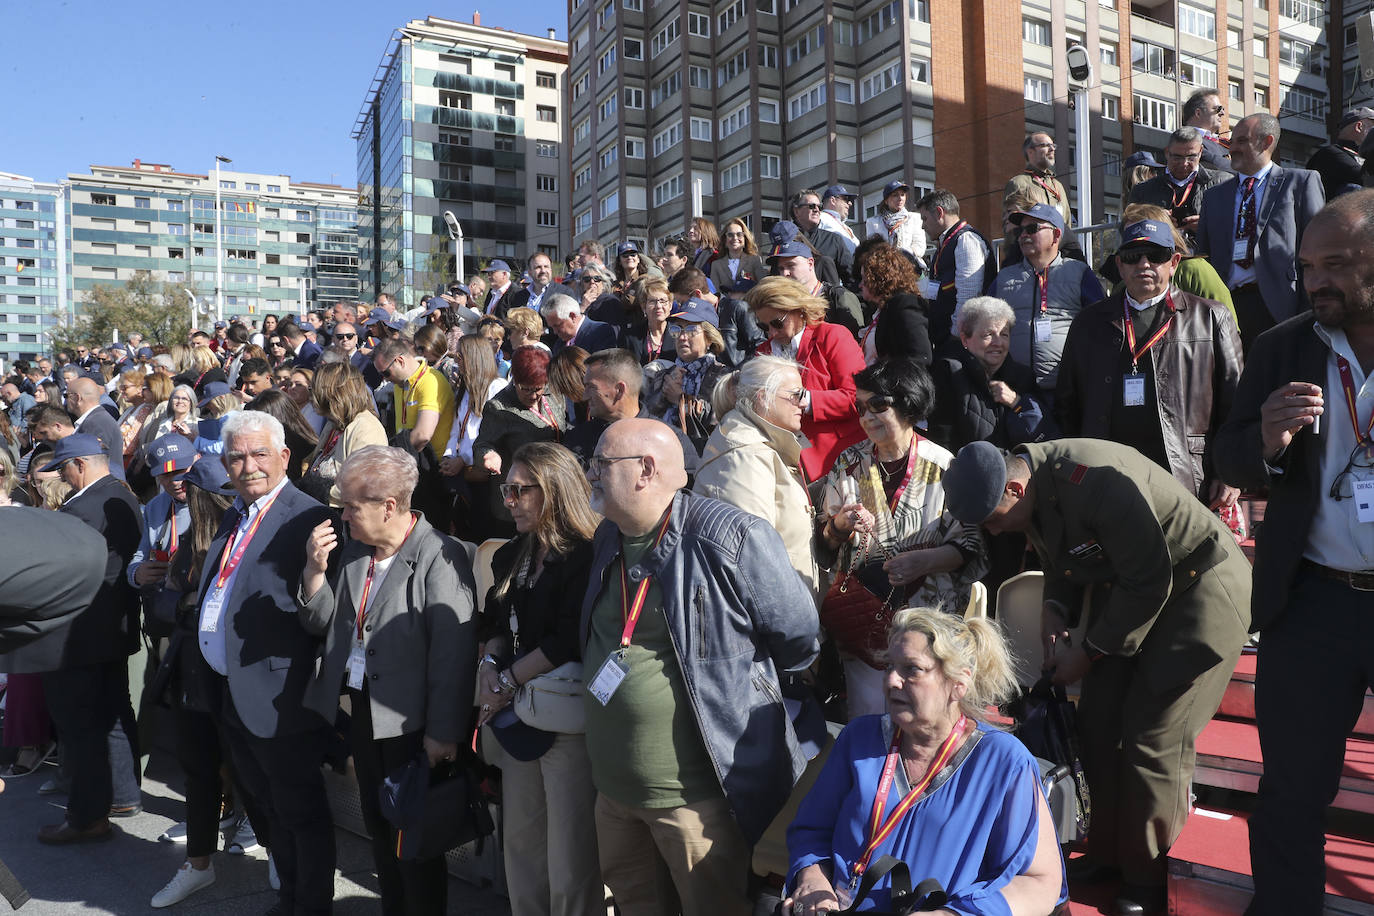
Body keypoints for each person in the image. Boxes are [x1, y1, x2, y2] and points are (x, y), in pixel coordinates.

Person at [943, 438, 1251, 916]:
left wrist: (1087, 653)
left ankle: (1148, 878)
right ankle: (1108, 852)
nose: (993, 531)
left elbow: (1150, 578)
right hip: (1134, 590)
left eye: (993, 519)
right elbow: (1068, 555)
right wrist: (1054, 608)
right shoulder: (1036, 486)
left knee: (1153, 735)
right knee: (1099, 722)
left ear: (1015, 489)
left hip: (1198, 589)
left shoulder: (1089, 479)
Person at [582, 418, 820, 915]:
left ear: (645, 470)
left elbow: (800, 635)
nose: (591, 474)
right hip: (616, 793)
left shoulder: (730, 538)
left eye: (601, 464)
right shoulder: (609, 538)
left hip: (697, 804)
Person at [1211, 190, 1374, 915]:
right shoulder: (1282, 345)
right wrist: (1267, 442)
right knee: (1291, 791)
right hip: (1311, 600)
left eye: (1336, 265)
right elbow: (1231, 455)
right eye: (1308, 267)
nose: (1316, 284)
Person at [785, 608, 1066, 916]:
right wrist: (813, 881)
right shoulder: (859, 738)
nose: (891, 679)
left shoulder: (1003, 762)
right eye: (890, 666)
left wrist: (951, 915)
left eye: (912, 669)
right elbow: (812, 831)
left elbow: (1041, 881)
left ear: (959, 683)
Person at [299, 446, 475, 916]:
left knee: (413, 841)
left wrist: (442, 732)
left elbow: (451, 658)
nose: (343, 515)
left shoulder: (441, 555)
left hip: (410, 722)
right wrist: (315, 573)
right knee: (379, 826)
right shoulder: (355, 550)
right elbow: (323, 622)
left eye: (352, 507)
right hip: (363, 710)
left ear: (389, 507)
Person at [196, 411, 339, 915]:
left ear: (284, 457)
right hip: (232, 691)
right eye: (236, 456)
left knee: (300, 811)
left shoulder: (309, 516)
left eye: (259, 454)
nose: (247, 465)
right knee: (272, 810)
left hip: (281, 694)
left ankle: (311, 906)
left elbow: (321, 608)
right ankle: (291, 899)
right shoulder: (236, 512)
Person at [816, 359, 988, 716]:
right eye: (860, 407)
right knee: (867, 724)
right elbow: (825, 543)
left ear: (908, 404)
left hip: (929, 625)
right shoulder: (849, 462)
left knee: (923, 723)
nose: (867, 417)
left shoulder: (943, 465)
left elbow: (968, 548)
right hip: (862, 622)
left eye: (878, 405)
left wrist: (924, 561)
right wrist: (841, 526)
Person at [476, 442, 604, 916]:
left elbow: (568, 637)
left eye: (517, 490)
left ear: (552, 490)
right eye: (505, 489)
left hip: (564, 717)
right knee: (522, 844)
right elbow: (492, 622)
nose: (507, 500)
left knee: (570, 857)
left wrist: (505, 679)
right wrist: (491, 670)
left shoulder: (586, 555)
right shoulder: (511, 553)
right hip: (517, 713)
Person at [1056, 218, 1244, 504]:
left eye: (1156, 256)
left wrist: (1229, 472)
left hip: (1185, 473)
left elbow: (1236, 405)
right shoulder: (1088, 323)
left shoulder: (1211, 317)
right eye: (1133, 257)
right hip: (1107, 473)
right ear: (1119, 265)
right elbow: (1067, 406)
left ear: (1174, 262)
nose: (1144, 264)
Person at [148, 455, 266, 908]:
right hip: (195, 677)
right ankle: (199, 863)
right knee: (202, 773)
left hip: (234, 676)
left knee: (245, 768)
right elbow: (161, 608)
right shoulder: (191, 547)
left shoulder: (244, 536)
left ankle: (266, 847)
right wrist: (185, 603)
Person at [35, 434, 142, 844]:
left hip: (79, 635)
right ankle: (123, 796)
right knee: (113, 712)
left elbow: (55, 574)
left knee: (80, 726)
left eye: (62, 468)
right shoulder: (122, 495)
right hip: (111, 631)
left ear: (80, 464)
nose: (61, 476)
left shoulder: (82, 509)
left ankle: (86, 816)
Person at [1195, 112, 1325, 350]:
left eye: (1242, 141)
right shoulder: (1214, 196)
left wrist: (1308, 311)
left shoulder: (1300, 183)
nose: (1232, 148)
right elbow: (1204, 257)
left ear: (1267, 142)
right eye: (1232, 141)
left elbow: (1318, 251)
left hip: (1281, 306)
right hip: (1226, 308)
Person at [693, 356, 819, 596]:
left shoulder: (758, 445)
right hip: (771, 620)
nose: (803, 404)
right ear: (763, 397)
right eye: (796, 394)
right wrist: (790, 628)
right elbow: (752, 560)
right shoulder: (744, 456)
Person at [746, 275, 866, 479]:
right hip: (786, 463)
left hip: (842, 459)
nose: (772, 333)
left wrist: (807, 400)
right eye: (764, 327)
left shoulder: (833, 336)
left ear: (799, 310)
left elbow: (859, 398)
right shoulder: (763, 353)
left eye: (777, 323)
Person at [993, 203, 1107, 395]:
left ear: (1056, 235)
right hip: (1014, 391)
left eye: (1032, 229)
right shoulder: (1004, 278)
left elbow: (1101, 325)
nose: (1023, 235)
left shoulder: (1079, 273)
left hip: (1066, 391)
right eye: (1020, 230)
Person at [928, 296, 1055, 452]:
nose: (998, 342)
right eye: (988, 335)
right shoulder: (949, 374)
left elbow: (1044, 441)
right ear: (965, 339)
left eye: (1004, 334)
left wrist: (1017, 403)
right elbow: (941, 441)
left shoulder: (1023, 377)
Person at [643, 297, 734, 453]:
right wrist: (663, 393)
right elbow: (648, 415)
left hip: (703, 457)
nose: (682, 337)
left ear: (709, 338)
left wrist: (680, 400)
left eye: (691, 330)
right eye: (677, 329)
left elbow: (720, 421)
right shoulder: (664, 374)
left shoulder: (724, 376)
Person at [1129, 127, 1233, 251]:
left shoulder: (1224, 183)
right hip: (1160, 260)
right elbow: (1127, 229)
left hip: (1208, 261)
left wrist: (1209, 225)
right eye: (1177, 157)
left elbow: (1240, 226)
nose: (1184, 163)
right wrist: (1156, 221)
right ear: (1167, 152)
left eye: (1191, 157)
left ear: (1200, 152)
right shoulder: (1143, 190)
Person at [917, 189, 992, 345]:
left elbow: (969, 295)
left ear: (939, 213)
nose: (923, 226)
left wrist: (956, 335)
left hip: (959, 342)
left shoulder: (966, 240)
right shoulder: (945, 243)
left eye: (925, 218)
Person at [1004, 132, 1085, 261]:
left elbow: (1067, 223)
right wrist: (1014, 260)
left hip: (1059, 256)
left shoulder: (1057, 185)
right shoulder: (1019, 183)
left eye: (1053, 145)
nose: (1052, 149)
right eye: (1045, 145)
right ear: (1030, 152)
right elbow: (1012, 228)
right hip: (1031, 258)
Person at [767, 232, 864, 338]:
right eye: (781, 268)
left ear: (810, 263)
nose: (785, 273)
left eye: (791, 265)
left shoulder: (838, 297)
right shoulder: (782, 304)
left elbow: (854, 344)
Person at [856, 243, 933, 365]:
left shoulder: (906, 306)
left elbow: (920, 358)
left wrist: (885, 377)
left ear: (879, 280)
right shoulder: (884, 308)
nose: (860, 285)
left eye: (864, 279)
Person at [790, 189, 855, 288]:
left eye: (819, 207)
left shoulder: (834, 240)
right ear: (796, 211)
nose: (816, 210)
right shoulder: (787, 241)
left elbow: (851, 278)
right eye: (811, 206)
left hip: (827, 301)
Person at [67, 376, 127, 481]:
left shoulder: (98, 423)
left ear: (77, 398)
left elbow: (93, 467)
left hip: (105, 490)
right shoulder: (94, 420)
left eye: (66, 395)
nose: (65, 400)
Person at [864, 180, 928, 265]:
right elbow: (873, 249)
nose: (900, 198)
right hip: (886, 267)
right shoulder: (873, 222)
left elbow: (919, 246)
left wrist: (902, 257)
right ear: (886, 201)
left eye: (902, 195)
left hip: (910, 266)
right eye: (895, 195)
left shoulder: (914, 218)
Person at [622, 277, 677, 365]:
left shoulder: (679, 334)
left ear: (670, 305)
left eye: (663, 301)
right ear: (644, 306)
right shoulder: (630, 336)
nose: (658, 306)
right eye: (652, 301)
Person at [541, 293, 619, 354]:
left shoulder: (600, 332)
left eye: (557, 325)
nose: (555, 331)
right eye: (552, 327)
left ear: (572, 316)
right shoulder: (559, 344)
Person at [507, 251, 576, 318]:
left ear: (551, 270)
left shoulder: (564, 293)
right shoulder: (518, 297)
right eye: (538, 267)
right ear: (530, 272)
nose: (543, 271)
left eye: (546, 266)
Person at [1180, 88, 1234, 174]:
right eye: (1217, 109)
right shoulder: (1185, 140)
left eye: (1222, 109)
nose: (1222, 113)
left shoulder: (1223, 143)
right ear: (1198, 113)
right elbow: (1215, 163)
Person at [709, 219, 766, 295]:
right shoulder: (716, 265)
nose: (735, 238)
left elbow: (763, 286)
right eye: (730, 235)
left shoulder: (754, 260)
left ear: (745, 238)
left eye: (739, 234)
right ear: (724, 240)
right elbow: (715, 292)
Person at [818, 184, 861, 252]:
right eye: (846, 199)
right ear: (833, 200)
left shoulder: (846, 227)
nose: (850, 203)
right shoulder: (821, 218)